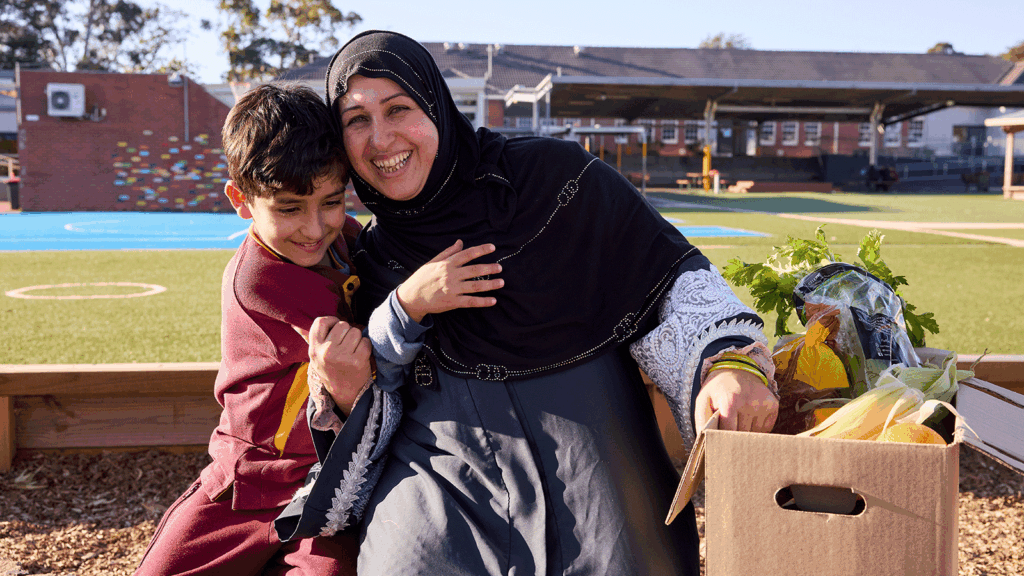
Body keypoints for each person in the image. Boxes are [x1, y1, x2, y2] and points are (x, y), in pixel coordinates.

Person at [295, 31, 779, 575]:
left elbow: (672, 281)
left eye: (398, 108)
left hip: (590, 462)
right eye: (356, 120)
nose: (380, 139)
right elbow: (378, 407)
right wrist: (349, 382)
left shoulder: (555, 180)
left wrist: (729, 362)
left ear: (435, 105)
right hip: (444, 483)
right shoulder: (375, 256)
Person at [134, 83, 502, 576]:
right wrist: (413, 300)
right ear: (240, 200)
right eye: (289, 208)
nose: (315, 227)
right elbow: (363, 354)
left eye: (331, 201)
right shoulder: (261, 279)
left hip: (329, 476)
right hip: (249, 478)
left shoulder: (347, 236)